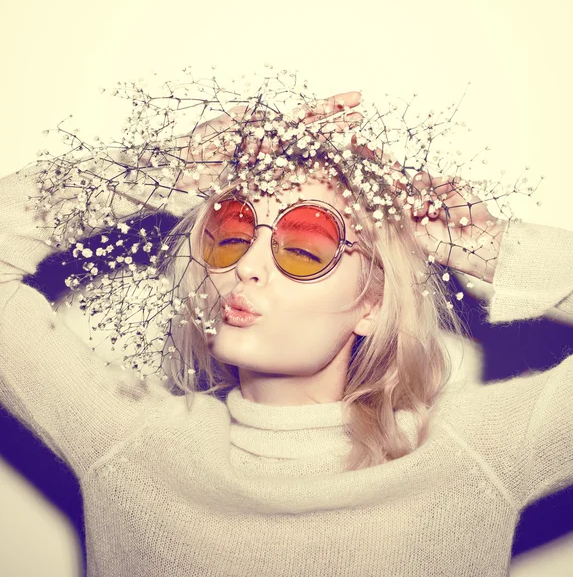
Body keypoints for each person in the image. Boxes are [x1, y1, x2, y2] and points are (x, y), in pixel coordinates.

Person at [0, 86, 571, 577]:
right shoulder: (130, 440)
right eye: (232, 232)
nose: (245, 265)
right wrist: (168, 171)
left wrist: (493, 249)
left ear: (372, 303)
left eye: (303, 247)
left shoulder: (473, 453)